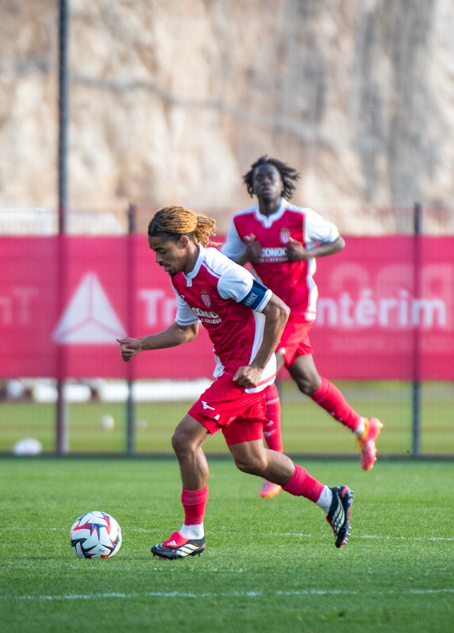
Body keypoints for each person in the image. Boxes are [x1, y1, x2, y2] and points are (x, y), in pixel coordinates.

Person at [118, 205, 353, 559]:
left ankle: (192, 534)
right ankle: (330, 499)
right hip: (232, 369)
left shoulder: (221, 271)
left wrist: (257, 366)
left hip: (248, 373)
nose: (157, 259)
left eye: (161, 250)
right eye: (154, 251)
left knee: (184, 439)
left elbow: (278, 310)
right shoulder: (180, 276)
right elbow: (186, 330)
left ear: (184, 242)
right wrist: (141, 344)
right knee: (251, 460)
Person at [221, 155, 383, 499]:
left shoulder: (301, 218)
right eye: (260, 178)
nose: (266, 181)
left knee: (263, 371)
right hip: (268, 311)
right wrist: (245, 257)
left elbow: (337, 241)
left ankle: (274, 467)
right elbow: (224, 262)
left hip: (297, 310)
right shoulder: (241, 223)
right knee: (308, 382)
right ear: (252, 186)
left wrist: (306, 254)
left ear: (283, 184)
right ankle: (362, 426)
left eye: (272, 177)